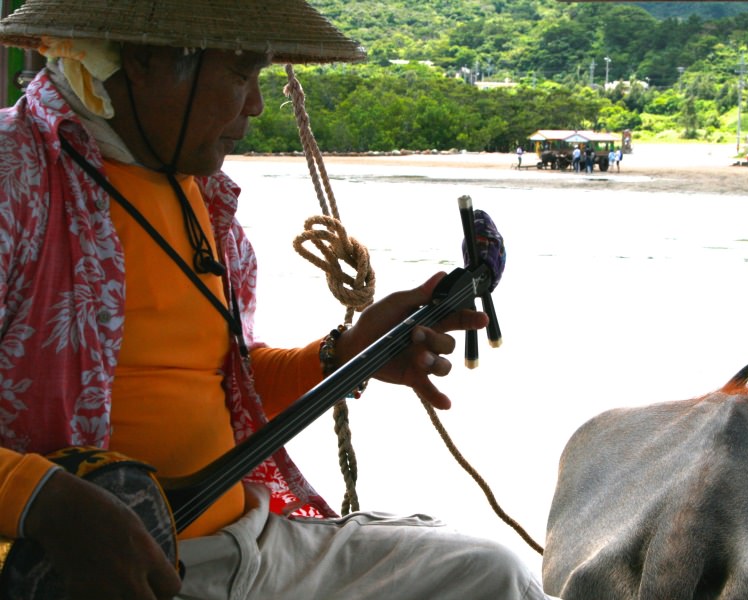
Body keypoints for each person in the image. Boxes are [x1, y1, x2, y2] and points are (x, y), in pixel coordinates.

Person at [0, 1, 555, 599]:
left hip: (250, 542)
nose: (256, 104)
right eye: (241, 73)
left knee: (495, 574)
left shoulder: (200, 195)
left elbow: (226, 391)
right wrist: (41, 500)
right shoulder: (16, 173)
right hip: (98, 574)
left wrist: (344, 353)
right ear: (146, 59)